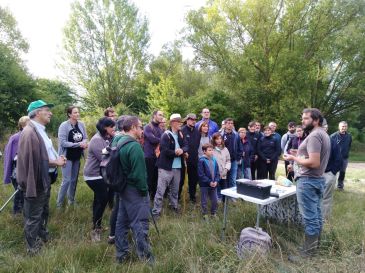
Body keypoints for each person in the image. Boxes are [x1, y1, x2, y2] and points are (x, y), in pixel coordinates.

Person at [17, 100, 66, 254]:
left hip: (43, 180)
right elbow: (33, 162)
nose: (50, 113)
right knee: (33, 217)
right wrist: (55, 162)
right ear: (37, 112)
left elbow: (42, 155)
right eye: (47, 110)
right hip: (35, 182)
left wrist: (55, 161)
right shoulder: (29, 132)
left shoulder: (40, 130)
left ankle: (42, 237)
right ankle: (33, 248)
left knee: (43, 212)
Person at [284, 108, 330, 260]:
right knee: (316, 216)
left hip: (308, 182)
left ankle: (307, 255)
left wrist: (294, 158)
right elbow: (312, 157)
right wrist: (299, 154)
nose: (302, 121)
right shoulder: (323, 134)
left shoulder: (315, 135)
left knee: (310, 218)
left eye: (306, 118)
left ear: (316, 120)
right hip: (316, 180)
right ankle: (315, 248)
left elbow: (314, 162)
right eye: (302, 118)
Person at [112, 115, 154, 263]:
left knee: (121, 222)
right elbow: (139, 175)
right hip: (135, 190)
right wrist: (144, 192)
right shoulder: (134, 146)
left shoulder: (118, 140)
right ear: (133, 128)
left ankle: (121, 255)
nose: (142, 129)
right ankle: (146, 259)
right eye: (140, 126)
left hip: (123, 188)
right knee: (140, 223)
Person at [83, 117, 116, 242]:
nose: (114, 128)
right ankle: (95, 230)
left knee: (99, 200)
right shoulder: (96, 140)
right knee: (102, 199)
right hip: (93, 175)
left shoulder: (106, 138)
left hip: (100, 174)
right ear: (104, 128)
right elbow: (105, 159)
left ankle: (97, 226)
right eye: (111, 126)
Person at [152, 114, 188, 217]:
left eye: (181, 121)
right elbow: (165, 150)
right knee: (160, 191)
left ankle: (174, 207)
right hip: (165, 167)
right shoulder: (166, 135)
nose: (180, 123)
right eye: (178, 121)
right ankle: (156, 212)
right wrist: (176, 153)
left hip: (178, 167)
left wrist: (182, 150)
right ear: (172, 123)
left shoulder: (181, 134)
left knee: (175, 190)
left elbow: (186, 145)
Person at [56, 106, 88, 208]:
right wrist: (78, 144)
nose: (77, 114)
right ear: (69, 114)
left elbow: (85, 137)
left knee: (74, 180)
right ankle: (59, 204)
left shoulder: (81, 124)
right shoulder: (64, 126)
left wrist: (84, 143)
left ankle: (71, 201)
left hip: (77, 156)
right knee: (66, 180)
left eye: (78, 112)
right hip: (66, 156)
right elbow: (63, 143)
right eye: (75, 113)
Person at [3, 116, 30, 215]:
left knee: (27, 192)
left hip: (28, 168)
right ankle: (16, 213)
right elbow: (9, 155)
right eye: (28, 123)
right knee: (18, 191)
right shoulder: (15, 138)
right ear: (22, 125)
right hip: (17, 169)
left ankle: (25, 212)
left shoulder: (32, 135)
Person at [322, 120, 343, 221]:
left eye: (324, 128)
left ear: (326, 129)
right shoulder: (312, 140)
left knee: (326, 198)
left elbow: (339, 160)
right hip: (315, 175)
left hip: (328, 174)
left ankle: (324, 219)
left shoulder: (332, 142)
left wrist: (332, 173)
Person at [143, 110, 164, 200]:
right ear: (154, 115)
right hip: (149, 157)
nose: (161, 117)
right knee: (149, 179)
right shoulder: (148, 127)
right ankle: (146, 199)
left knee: (156, 179)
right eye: (159, 115)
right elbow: (152, 140)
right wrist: (162, 140)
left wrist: (160, 140)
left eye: (162, 115)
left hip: (158, 157)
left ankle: (153, 198)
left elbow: (159, 140)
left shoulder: (160, 128)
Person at [180, 113, 200, 203]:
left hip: (194, 159)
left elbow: (197, 145)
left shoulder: (197, 131)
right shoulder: (182, 130)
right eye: (191, 119)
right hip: (183, 159)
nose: (193, 121)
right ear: (187, 120)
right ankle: (177, 198)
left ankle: (192, 197)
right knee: (181, 180)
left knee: (193, 180)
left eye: (194, 120)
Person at [198, 143, 220, 219]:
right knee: (204, 200)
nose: (211, 152)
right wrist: (209, 182)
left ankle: (213, 213)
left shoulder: (214, 160)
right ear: (204, 151)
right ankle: (205, 214)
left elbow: (217, 172)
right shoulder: (201, 160)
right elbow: (201, 174)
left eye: (212, 150)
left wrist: (216, 181)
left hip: (214, 184)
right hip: (204, 185)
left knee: (215, 200)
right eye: (209, 150)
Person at [330, 121, 352, 190]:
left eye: (345, 126)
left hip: (344, 158)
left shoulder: (349, 136)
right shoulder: (333, 136)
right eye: (342, 126)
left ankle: (340, 186)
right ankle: (331, 186)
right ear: (339, 127)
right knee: (333, 172)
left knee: (342, 172)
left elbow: (349, 145)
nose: (344, 128)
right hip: (335, 158)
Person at [221, 118, 240, 188]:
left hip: (233, 160)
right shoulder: (221, 134)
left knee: (232, 179)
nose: (230, 125)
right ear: (225, 125)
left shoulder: (236, 135)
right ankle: (222, 196)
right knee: (223, 178)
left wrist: (238, 157)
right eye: (228, 123)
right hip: (223, 160)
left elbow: (240, 147)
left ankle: (231, 197)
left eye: (231, 123)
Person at [211, 133, 231, 201]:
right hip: (215, 173)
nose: (219, 140)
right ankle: (217, 200)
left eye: (220, 138)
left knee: (224, 188)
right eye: (217, 139)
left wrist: (226, 169)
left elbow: (228, 161)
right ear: (214, 140)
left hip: (224, 173)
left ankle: (224, 202)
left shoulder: (225, 149)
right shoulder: (211, 149)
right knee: (216, 188)